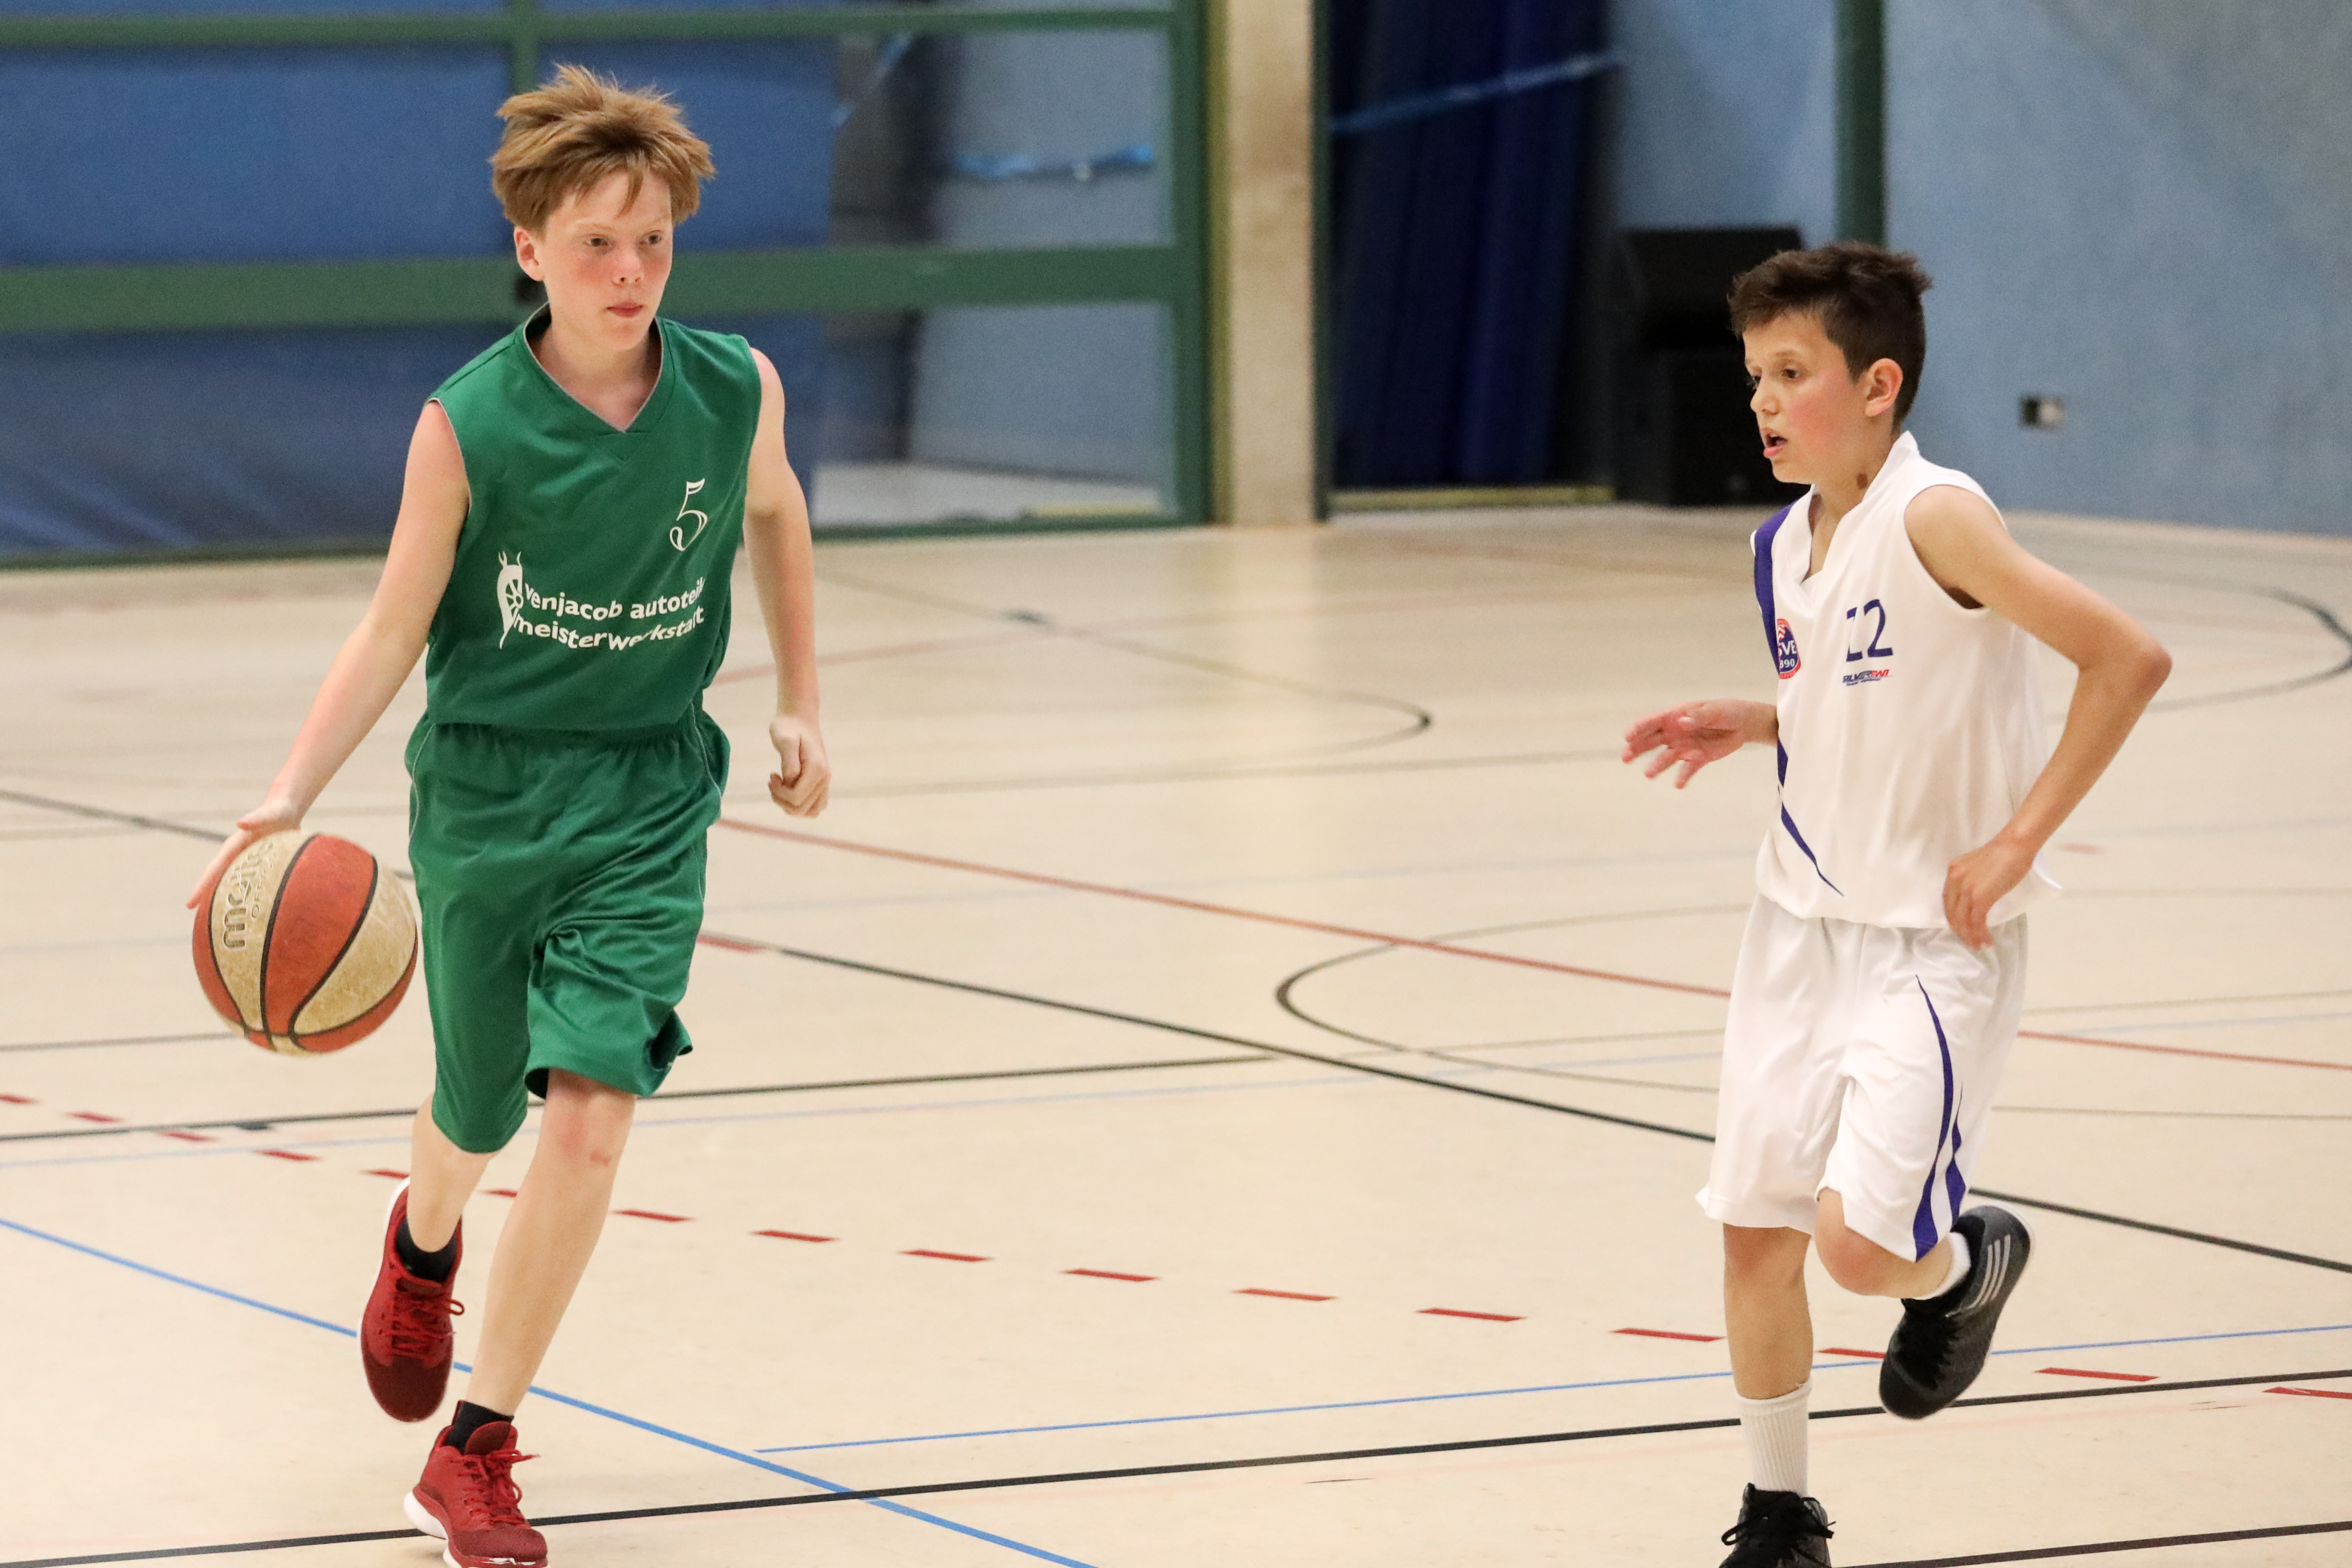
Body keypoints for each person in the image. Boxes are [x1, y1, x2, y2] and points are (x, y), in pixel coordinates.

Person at [187, 65, 829, 1568]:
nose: (631, 273)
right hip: (487, 792)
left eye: (653, 242)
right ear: (532, 249)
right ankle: (422, 1245)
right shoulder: (467, 423)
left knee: (591, 1120)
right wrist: (289, 792)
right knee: (477, 1106)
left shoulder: (733, 387)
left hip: (651, 794)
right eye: (598, 244)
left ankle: (475, 1446)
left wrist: (803, 697)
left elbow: (779, 512)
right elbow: (392, 627)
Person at [1622, 242, 2170, 1568]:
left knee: (1860, 1252)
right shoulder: (1781, 545)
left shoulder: (1939, 518)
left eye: (1791, 372)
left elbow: (2127, 657)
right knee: (1755, 1232)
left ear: (1878, 386)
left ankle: (1965, 1264)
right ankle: (1779, 1513)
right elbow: (1857, 697)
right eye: (1754, 376)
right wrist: (1762, 719)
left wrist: (2018, 840)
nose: (1763, 401)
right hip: (1795, 929)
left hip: (1933, 944)